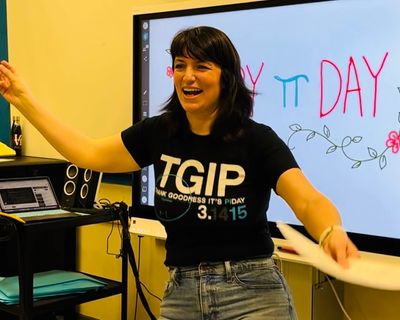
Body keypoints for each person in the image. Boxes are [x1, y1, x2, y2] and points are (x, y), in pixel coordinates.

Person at [0, 26, 358, 320]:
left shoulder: (257, 140)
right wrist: (25, 101)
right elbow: (88, 153)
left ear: (226, 77)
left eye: (202, 66)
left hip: (254, 290)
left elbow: (307, 198)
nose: (188, 76)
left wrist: (330, 231)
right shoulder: (158, 133)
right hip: (182, 291)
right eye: (180, 65)